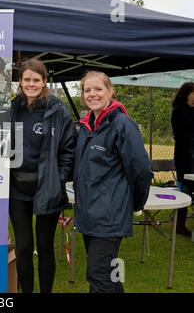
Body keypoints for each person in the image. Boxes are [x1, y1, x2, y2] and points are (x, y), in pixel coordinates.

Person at [73, 71, 153, 293]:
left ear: (110, 91)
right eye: (87, 90)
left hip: (108, 217)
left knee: (99, 276)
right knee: (108, 275)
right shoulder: (87, 124)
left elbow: (142, 170)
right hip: (89, 213)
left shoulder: (122, 124)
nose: (92, 94)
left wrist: (134, 203)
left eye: (98, 89)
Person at [9, 59, 76, 293]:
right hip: (17, 188)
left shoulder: (57, 110)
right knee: (25, 247)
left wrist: (58, 178)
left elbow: (69, 149)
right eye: (26, 79)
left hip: (47, 186)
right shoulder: (12, 108)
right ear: (20, 81)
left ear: (44, 81)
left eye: (36, 80)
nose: (31, 84)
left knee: (45, 246)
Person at [171, 82, 194, 237]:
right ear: (187, 94)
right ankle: (180, 224)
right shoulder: (179, 111)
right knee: (186, 187)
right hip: (185, 153)